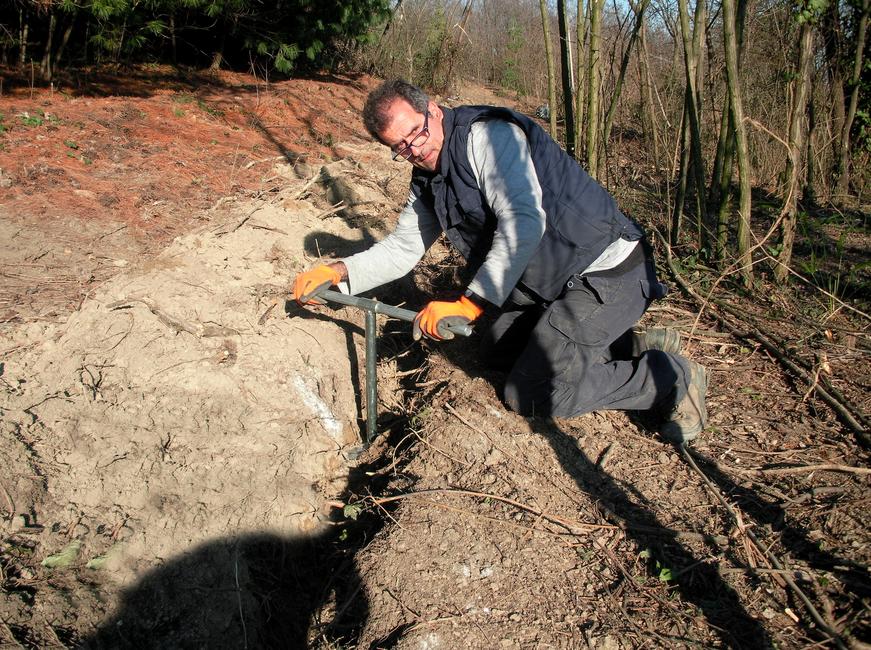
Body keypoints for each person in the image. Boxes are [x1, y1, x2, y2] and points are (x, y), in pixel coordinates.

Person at [292, 79, 709, 442]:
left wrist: (471, 303)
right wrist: (340, 272)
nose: (414, 150)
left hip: (605, 270)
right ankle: (627, 343)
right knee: (491, 350)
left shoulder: (490, 136)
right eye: (399, 147)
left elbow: (524, 221)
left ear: (433, 110)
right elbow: (404, 248)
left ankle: (669, 376)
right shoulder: (429, 178)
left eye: (417, 134)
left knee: (532, 390)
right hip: (552, 284)